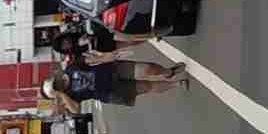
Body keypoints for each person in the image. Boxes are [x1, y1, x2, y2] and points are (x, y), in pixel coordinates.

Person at [43, 54, 186, 112]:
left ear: (54, 78)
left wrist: (106, 57)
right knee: (146, 87)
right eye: (56, 88)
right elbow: (76, 110)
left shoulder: (70, 68)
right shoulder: (69, 96)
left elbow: (89, 60)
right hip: (110, 92)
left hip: (112, 70)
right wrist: (62, 95)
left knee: (148, 69)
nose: (58, 85)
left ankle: (168, 72)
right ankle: (175, 84)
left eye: (55, 83)